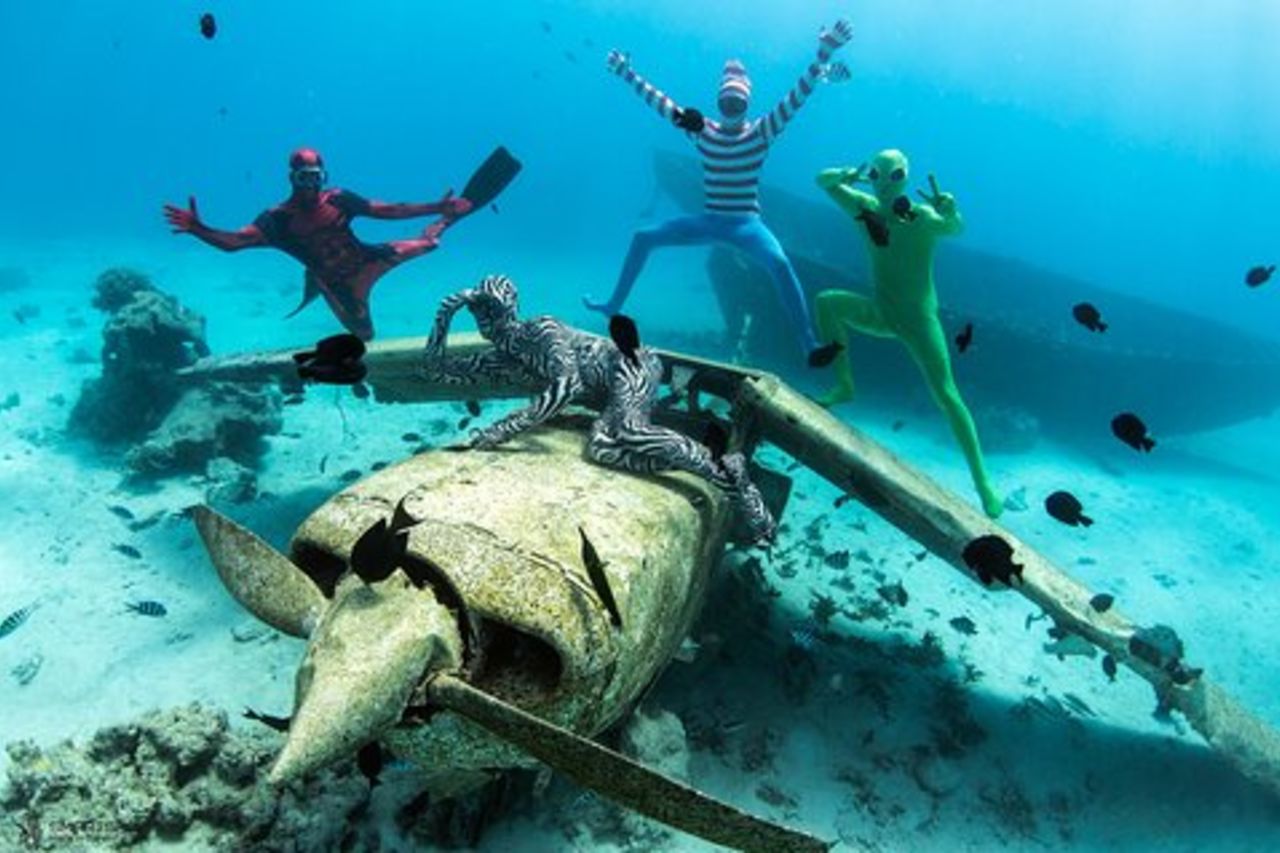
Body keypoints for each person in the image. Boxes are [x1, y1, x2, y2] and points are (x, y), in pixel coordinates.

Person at [422, 275, 777, 544]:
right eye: (478, 311)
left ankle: (733, 481)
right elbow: (436, 371)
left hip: (631, 363)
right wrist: (444, 312)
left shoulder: (542, 330)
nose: (485, 319)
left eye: (490, 309)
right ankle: (708, 465)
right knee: (601, 449)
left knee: (630, 430)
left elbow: (568, 386)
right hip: (610, 392)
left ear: (507, 309)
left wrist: (502, 430)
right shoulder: (503, 358)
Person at [582, 20, 855, 367]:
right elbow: (659, 102)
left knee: (782, 265)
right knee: (643, 236)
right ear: (718, 100)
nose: (730, 108)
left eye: (736, 104)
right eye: (726, 102)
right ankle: (613, 305)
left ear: (746, 103)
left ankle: (808, 345)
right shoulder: (702, 129)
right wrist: (626, 73)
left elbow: (798, 94)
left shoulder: (761, 131)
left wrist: (824, 52)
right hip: (713, 221)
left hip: (746, 225)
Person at [813, 149, 1003, 518]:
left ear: (906, 178)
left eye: (894, 175)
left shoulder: (922, 217)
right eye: (877, 175)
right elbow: (822, 181)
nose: (884, 184)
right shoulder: (863, 209)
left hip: (920, 321)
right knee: (827, 302)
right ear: (870, 177)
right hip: (882, 313)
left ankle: (983, 484)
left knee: (947, 395)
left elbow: (955, 228)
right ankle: (845, 385)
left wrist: (950, 208)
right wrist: (844, 174)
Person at [162, 147, 472, 341]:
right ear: (292, 178)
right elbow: (234, 243)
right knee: (365, 336)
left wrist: (435, 208)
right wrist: (198, 229)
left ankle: (442, 223)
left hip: (368, 260)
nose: (311, 185)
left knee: (430, 244)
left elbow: (387, 210)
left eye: (315, 177)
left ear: (323, 176)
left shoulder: (338, 199)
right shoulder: (278, 221)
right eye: (303, 178)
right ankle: (316, 285)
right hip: (339, 286)